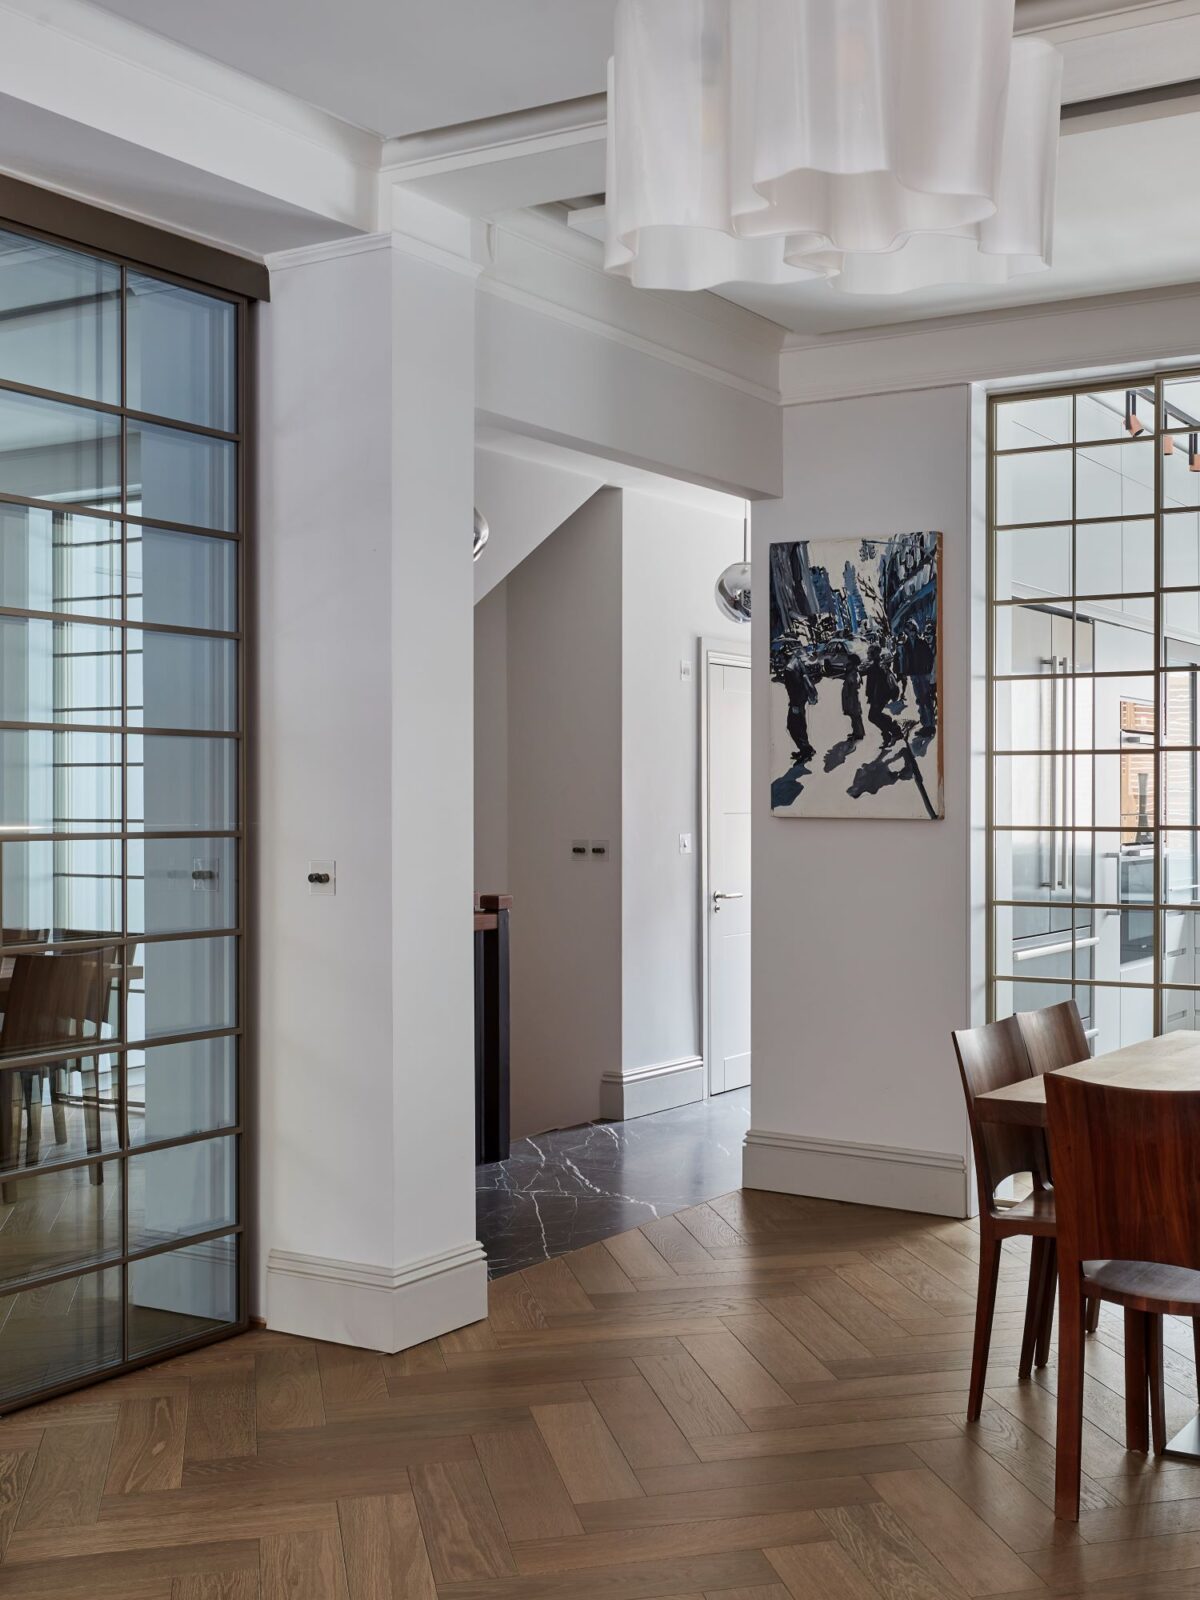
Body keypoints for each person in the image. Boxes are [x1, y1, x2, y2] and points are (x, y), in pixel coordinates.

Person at [782, 648, 818, 761]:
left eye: (781, 658)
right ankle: (806, 749)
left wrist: (795, 705)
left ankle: (806, 751)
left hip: (796, 702)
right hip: (802, 699)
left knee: (793, 727)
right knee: (800, 726)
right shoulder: (796, 661)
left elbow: (793, 690)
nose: (779, 660)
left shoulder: (789, 669)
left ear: (784, 657)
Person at [864, 643, 902, 746]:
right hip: (880, 697)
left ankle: (894, 730)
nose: (868, 654)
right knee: (875, 716)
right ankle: (888, 735)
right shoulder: (880, 664)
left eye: (869, 653)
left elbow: (879, 686)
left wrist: (875, 699)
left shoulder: (876, 668)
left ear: (874, 654)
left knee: (873, 716)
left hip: (879, 698)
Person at [909, 620, 937, 733]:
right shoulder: (913, 644)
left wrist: (928, 675)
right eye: (926, 634)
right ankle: (926, 725)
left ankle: (930, 726)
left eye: (912, 630)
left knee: (927, 701)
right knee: (921, 701)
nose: (927, 636)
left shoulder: (924, 643)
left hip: (927, 677)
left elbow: (931, 661)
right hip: (920, 677)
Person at [841, 652, 865, 740]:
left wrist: (849, 695)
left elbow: (855, 684)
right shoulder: (850, 671)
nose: (846, 662)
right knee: (853, 715)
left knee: (855, 715)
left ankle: (859, 734)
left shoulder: (854, 672)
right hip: (849, 696)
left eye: (849, 661)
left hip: (852, 697)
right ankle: (856, 732)